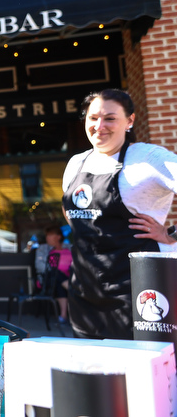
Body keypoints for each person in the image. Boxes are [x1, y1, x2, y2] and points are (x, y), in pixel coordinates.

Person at [62, 88, 177, 339]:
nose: (99, 125)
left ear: (130, 121)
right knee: (95, 372)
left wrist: (171, 234)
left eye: (110, 118)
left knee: (146, 372)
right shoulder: (76, 163)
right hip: (86, 291)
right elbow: (70, 211)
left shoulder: (149, 158)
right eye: (93, 118)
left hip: (140, 290)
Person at [33, 225, 72, 324]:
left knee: (59, 283)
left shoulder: (69, 248)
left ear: (58, 236)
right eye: (47, 235)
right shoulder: (42, 248)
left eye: (50, 235)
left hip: (69, 277)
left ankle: (63, 316)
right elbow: (40, 266)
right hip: (47, 279)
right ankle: (71, 288)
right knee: (55, 274)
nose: (47, 238)